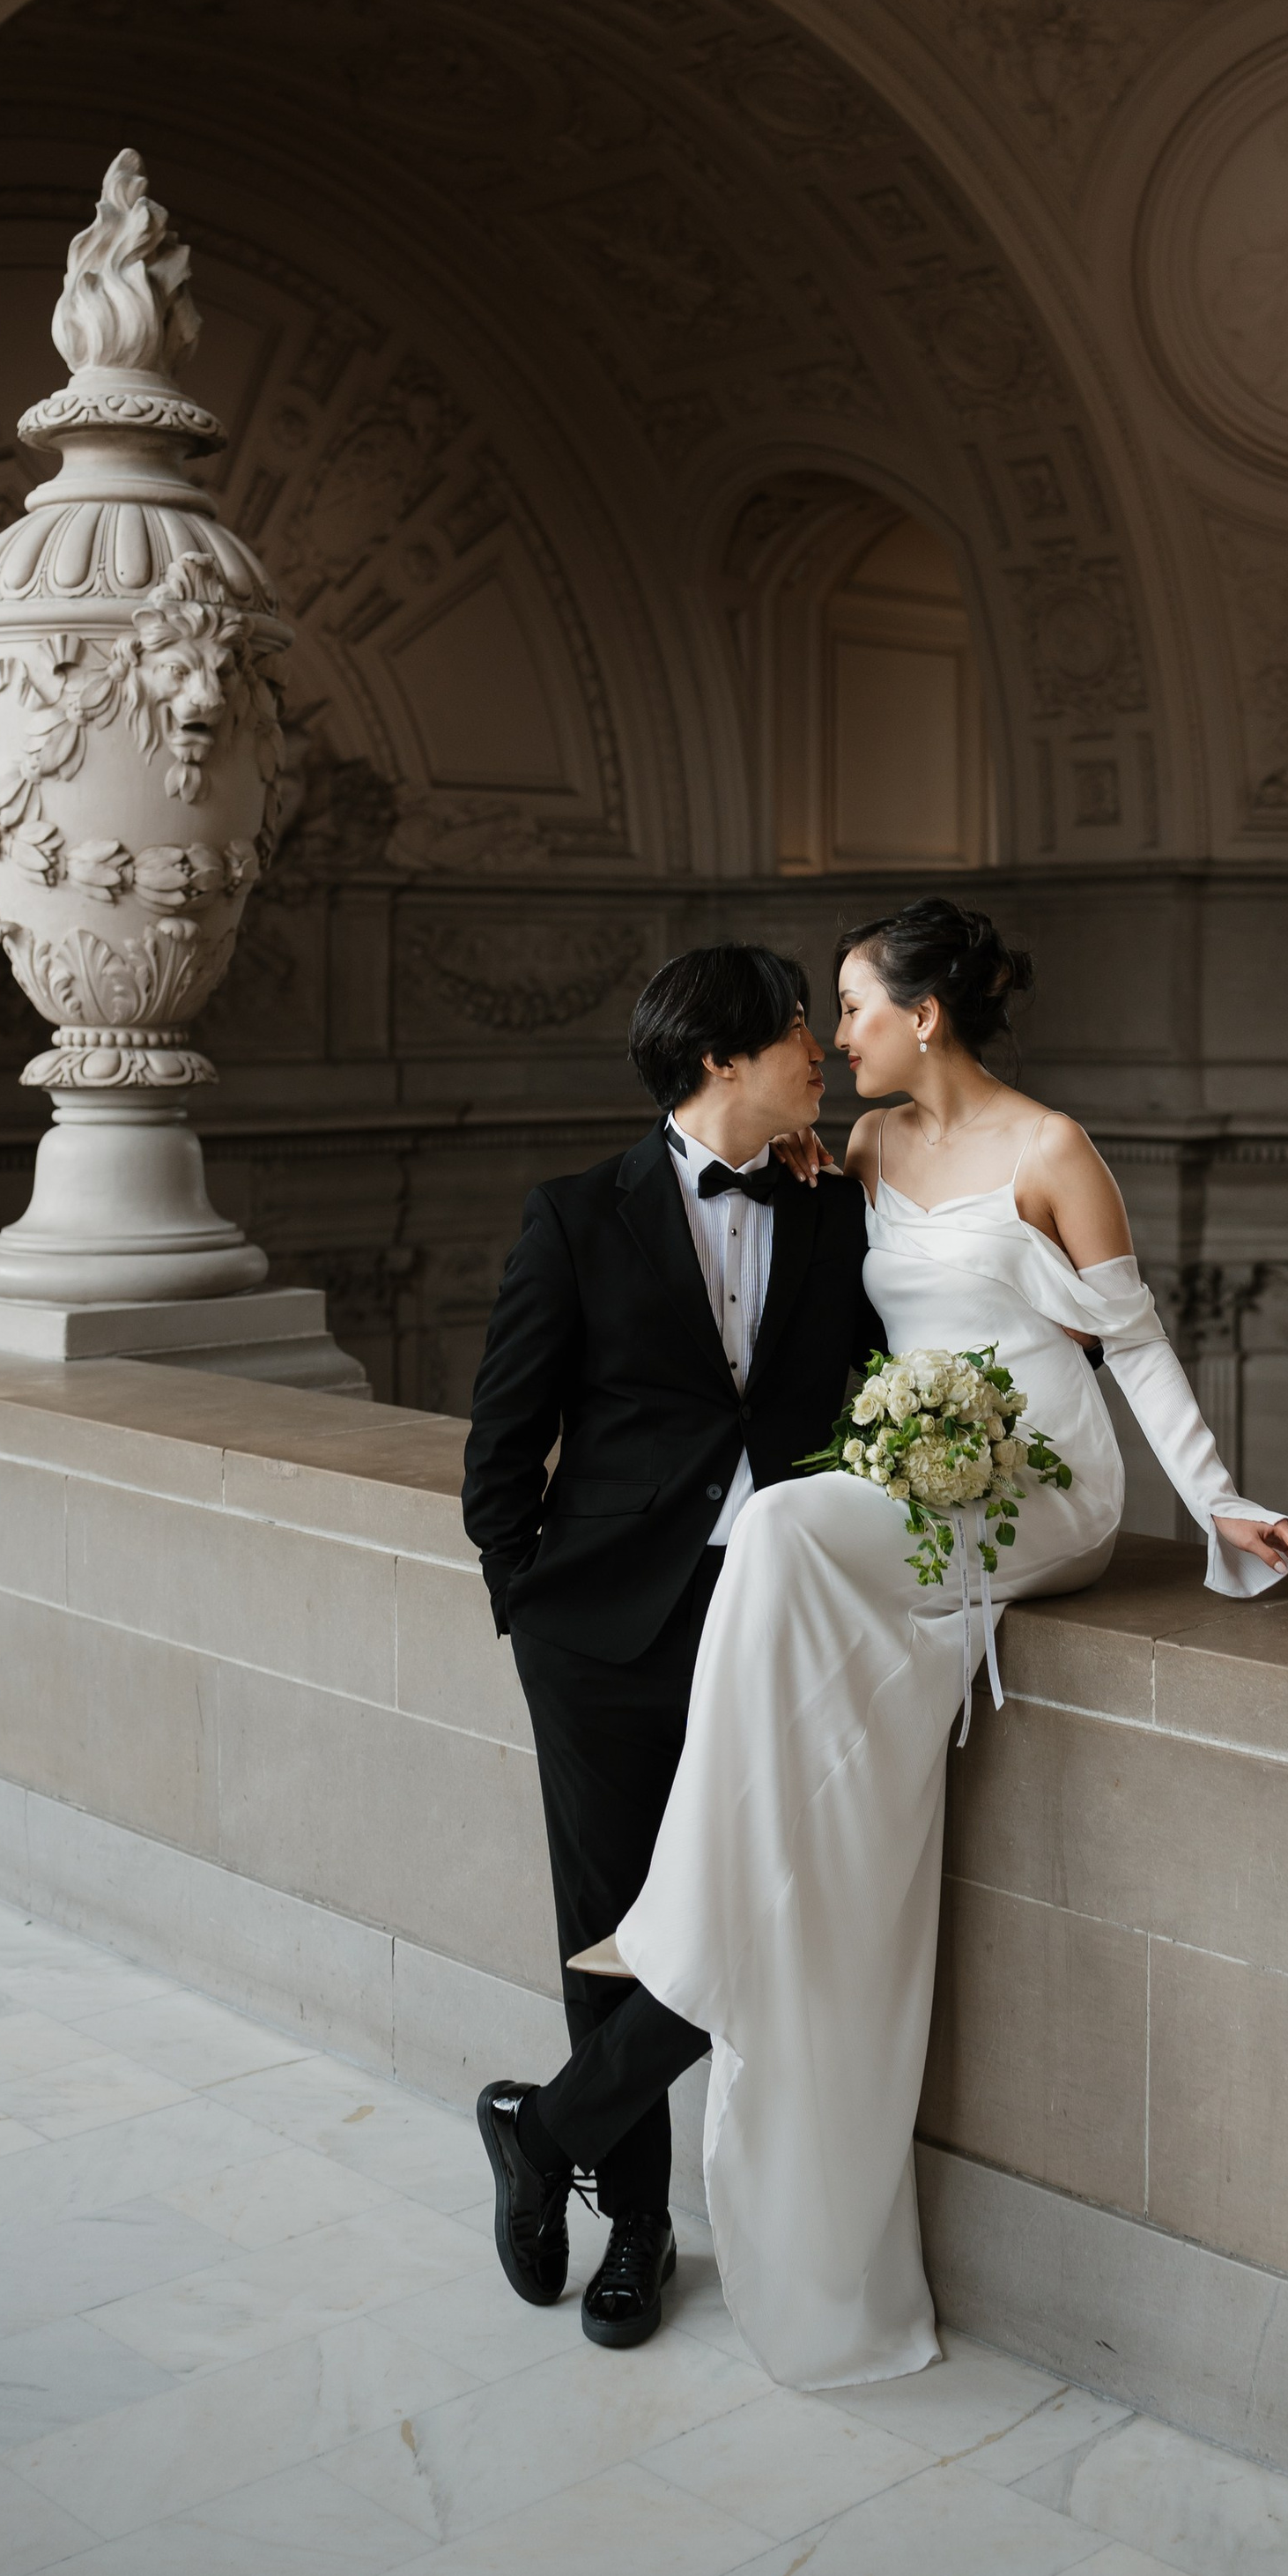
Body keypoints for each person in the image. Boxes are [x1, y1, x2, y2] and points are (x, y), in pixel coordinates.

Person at [610, 896, 1288, 2390]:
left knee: (789, 1532)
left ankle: (681, 1910)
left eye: (854, 1006)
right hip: (910, 1479)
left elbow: (1134, 1346)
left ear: (924, 1015)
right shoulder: (857, 1152)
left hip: (1040, 1489)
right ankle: (721, 1891)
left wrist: (1222, 1505)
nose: (835, 1033)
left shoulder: (1055, 1151)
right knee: (790, 1536)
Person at [462, 942, 878, 2351]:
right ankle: (633, 2231)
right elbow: (503, 1443)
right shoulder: (578, 1216)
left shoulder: (836, 1210)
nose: (819, 1051)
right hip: (600, 1638)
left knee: (759, 1910)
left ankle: (542, 2128)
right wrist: (528, 1602)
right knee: (611, 1944)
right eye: (797, 1033)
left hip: (779, 1623)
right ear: (722, 1059)